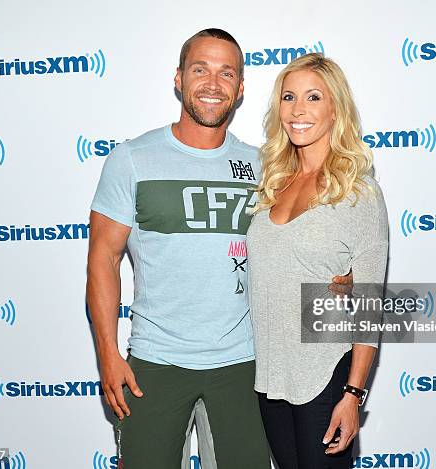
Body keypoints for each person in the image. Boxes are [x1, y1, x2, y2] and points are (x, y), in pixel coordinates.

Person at [86, 30, 353, 468]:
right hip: (154, 363)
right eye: (200, 69)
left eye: (226, 72)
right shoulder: (132, 159)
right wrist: (108, 355)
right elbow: (103, 259)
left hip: (244, 367)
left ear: (241, 88)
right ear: (178, 79)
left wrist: (345, 277)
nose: (213, 83)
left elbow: (303, 242)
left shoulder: (267, 165)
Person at [246, 53, 389, 468]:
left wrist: (353, 395)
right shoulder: (273, 182)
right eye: (289, 97)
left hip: (326, 375)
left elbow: (369, 304)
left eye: (313, 97)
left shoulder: (358, 191)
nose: (298, 110)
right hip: (271, 377)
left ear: (335, 109)